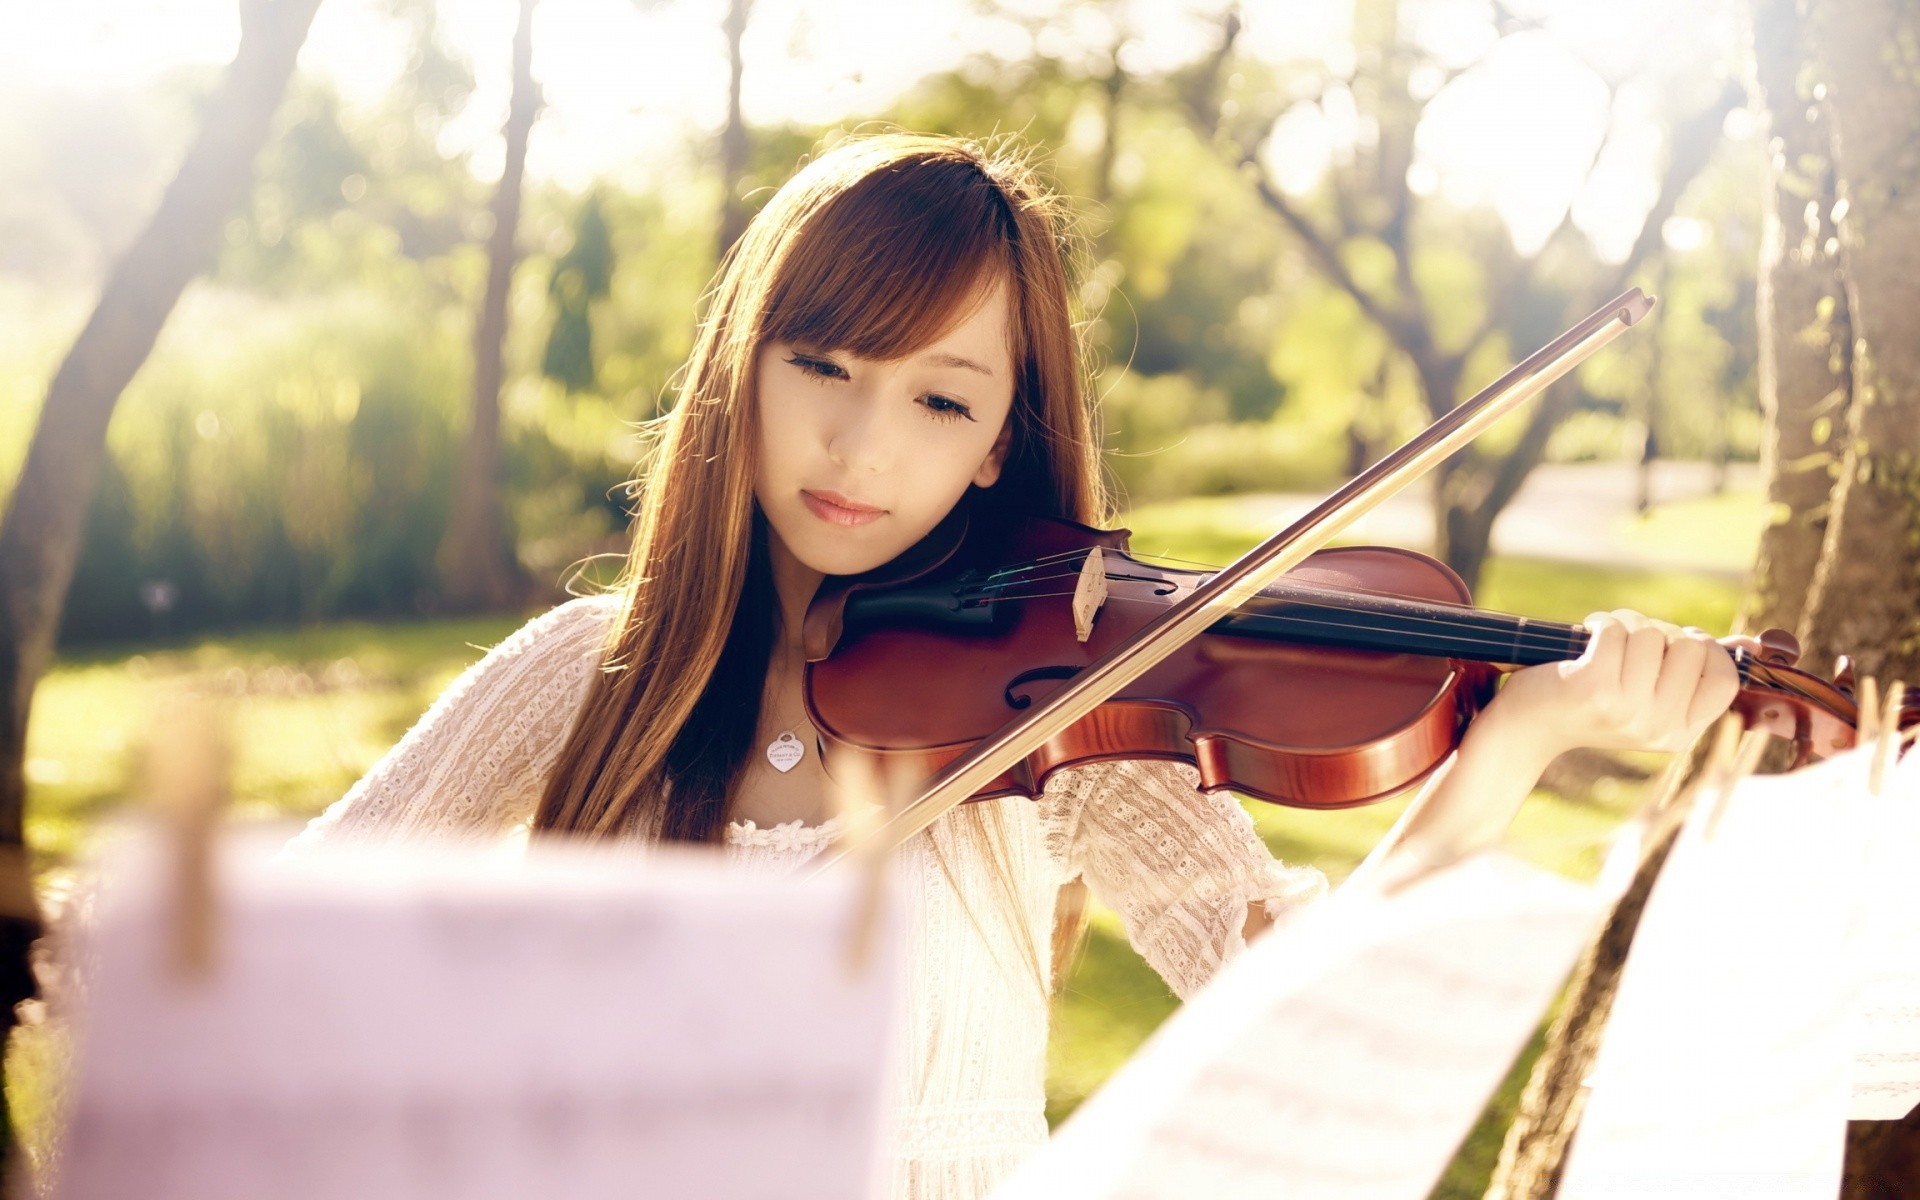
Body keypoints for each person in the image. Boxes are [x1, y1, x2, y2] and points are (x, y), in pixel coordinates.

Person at [289, 131, 1743, 1199]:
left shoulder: (1063, 708)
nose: (863, 449)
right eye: (823, 367)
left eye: (938, 397)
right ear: (743, 362)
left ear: (999, 442)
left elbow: (1295, 1005)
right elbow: (270, 956)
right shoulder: (581, 680)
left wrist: (1520, 739)